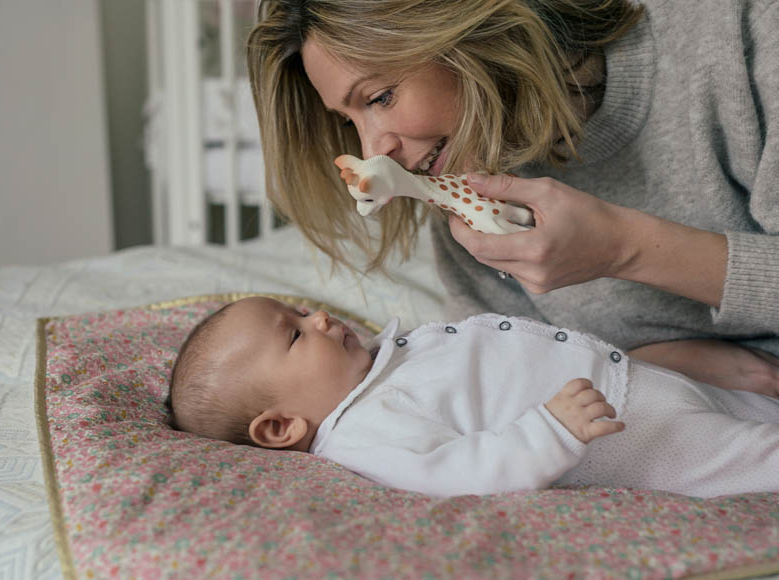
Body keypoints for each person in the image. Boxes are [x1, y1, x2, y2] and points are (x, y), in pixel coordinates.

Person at [246, 1, 779, 398]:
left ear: (463, 29)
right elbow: (500, 380)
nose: (374, 149)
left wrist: (625, 248)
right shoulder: (467, 185)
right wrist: (643, 367)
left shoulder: (738, 34)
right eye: (350, 120)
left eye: (380, 97)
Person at [166, 297, 779, 498]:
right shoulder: (364, 433)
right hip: (628, 438)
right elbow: (456, 472)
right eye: (296, 333)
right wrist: (549, 432)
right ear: (279, 428)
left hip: (630, 386)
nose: (320, 315)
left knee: (756, 416)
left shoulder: (378, 366)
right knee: (752, 454)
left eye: (302, 309)